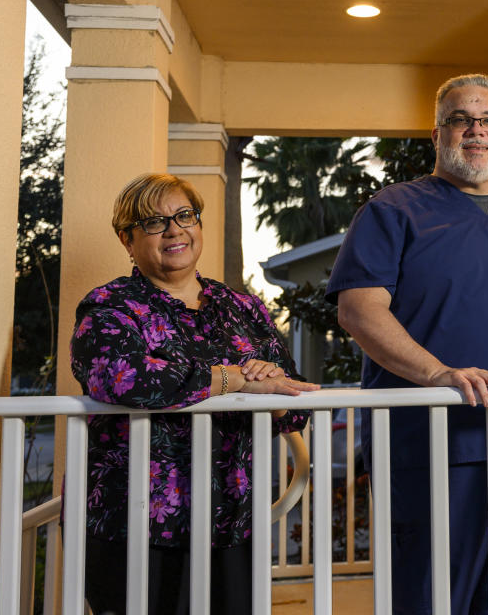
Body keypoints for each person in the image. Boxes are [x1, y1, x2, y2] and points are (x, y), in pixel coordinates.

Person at [326, 74, 488, 614]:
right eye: (460, 119)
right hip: (430, 441)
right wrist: (438, 374)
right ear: (436, 133)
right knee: (435, 596)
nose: (477, 130)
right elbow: (359, 309)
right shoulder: (393, 211)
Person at [70, 173, 319, 614]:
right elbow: (124, 378)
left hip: (231, 521)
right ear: (127, 240)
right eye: (153, 222)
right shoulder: (109, 306)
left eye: (185, 215)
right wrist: (235, 379)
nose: (174, 230)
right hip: (135, 524)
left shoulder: (244, 309)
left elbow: (293, 403)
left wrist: (270, 385)